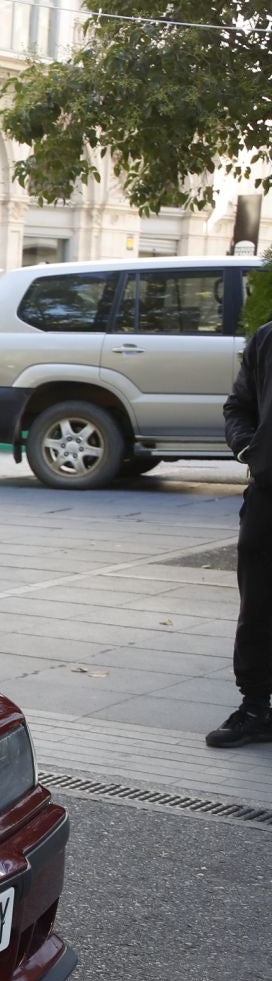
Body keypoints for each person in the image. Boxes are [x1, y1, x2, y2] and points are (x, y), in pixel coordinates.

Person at [206, 319, 272, 747]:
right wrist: (250, 449)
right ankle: (255, 707)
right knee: (260, 599)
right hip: (269, 493)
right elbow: (239, 405)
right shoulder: (267, 338)